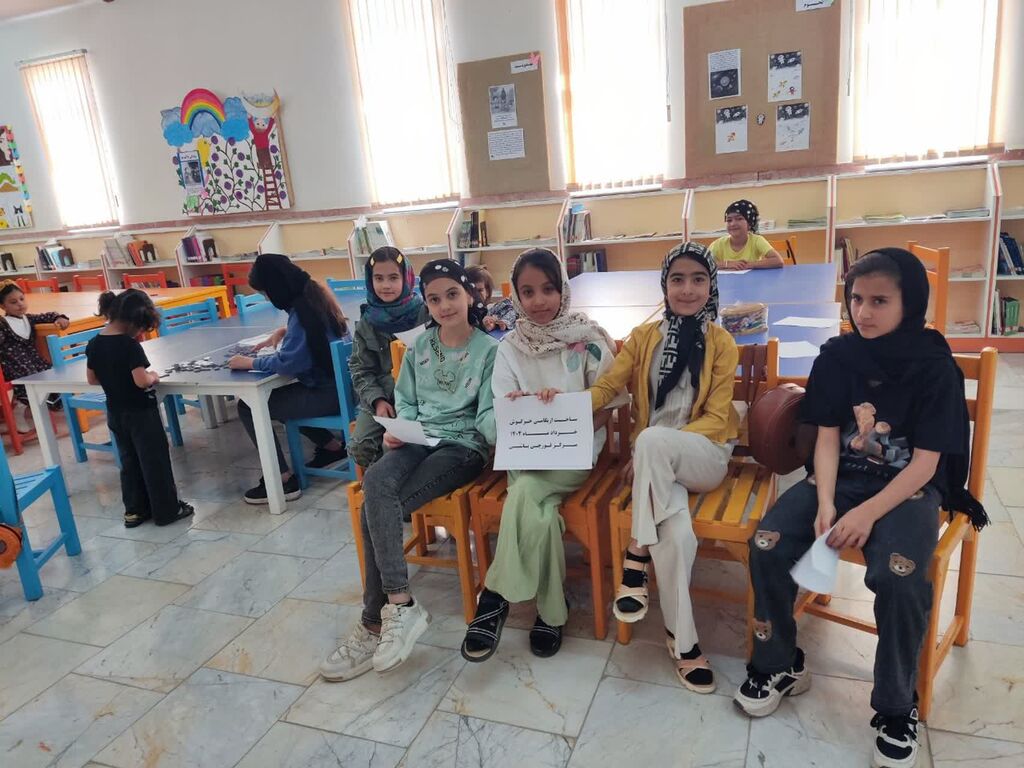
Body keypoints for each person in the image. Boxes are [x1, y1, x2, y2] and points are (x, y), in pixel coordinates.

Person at [733, 248, 987, 768]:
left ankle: (896, 705)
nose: (863, 311)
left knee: (899, 576)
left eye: (879, 301)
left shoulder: (935, 367)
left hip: (908, 490)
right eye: (856, 299)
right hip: (842, 478)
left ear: (909, 303)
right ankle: (779, 662)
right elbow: (827, 436)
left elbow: (926, 464)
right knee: (767, 544)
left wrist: (866, 514)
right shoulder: (838, 356)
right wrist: (826, 500)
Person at [320, 258, 496, 681]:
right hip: (419, 437)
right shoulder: (419, 347)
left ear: (469, 295)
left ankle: (373, 621)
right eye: (434, 299)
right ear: (426, 304)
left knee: (374, 508)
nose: (444, 305)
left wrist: (511, 426)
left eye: (452, 295)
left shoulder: (490, 350)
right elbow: (407, 400)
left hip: (462, 447)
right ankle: (400, 605)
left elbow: (486, 416)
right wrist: (398, 431)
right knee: (376, 481)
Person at [589, 241, 739, 694]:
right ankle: (684, 644)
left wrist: (652, 451)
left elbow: (717, 417)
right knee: (676, 536)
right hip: (656, 467)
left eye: (698, 279)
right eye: (677, 279)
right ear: (665, 284)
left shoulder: (722, 342)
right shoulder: (643, 337)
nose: (687, 289)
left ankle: (635, 553)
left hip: (704, 455)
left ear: (711, 285)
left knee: (654, 439)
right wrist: (561, 406)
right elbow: (609, 387)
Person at [461, 248, 618, 662]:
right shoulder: (510, 347)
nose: (539, 300)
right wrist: (521, 408)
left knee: (525, 493)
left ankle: (494, 596)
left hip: (575, 455)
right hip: (526, 458)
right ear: (516, 295)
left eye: (548, 289)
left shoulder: (588, 341)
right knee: (539, 510)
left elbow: (608, 405)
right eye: (528, 292)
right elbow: (499, 412)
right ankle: (551, 612)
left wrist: (566, 411)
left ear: (562, 289)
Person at [227, 254, 349, 505]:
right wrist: (285, 332)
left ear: (276, 288)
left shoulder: (303, 314)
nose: (267, 299)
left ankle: (281, 480)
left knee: (249, 405)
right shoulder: (316, 296)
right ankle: (332, 447)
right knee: (282, 400)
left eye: (265, 293)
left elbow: (289, 364)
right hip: (342, 389)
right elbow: (310, 338)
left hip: (328, 395)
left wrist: (249, 363)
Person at [85, 290, 194, 528]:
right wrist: (153, 376)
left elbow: (92, 379)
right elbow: (141, 381)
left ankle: (134, 512)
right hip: (141, 413)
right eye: (141, 329)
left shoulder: (94, 343)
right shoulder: (129, 345)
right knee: (154, 461)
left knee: (129, 461)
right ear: (133, 322)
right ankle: (167, 511)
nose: (140, 334)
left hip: (115, 412)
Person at [349, 246, 429, 468]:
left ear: (406, 278)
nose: (386, 285)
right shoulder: (367, 322)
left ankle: (396, 478)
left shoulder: (425, 313)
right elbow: (360, 369)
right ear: (370, 280)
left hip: (422, 397)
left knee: (405, 446)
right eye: (379, 278)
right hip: (384, 396)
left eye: (393, 277)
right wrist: (377, 400)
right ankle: (382, 477)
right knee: (361, 447)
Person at [0, 280, 69, 433]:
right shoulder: (3, 324)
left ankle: (46, 404)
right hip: (14, 365)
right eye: (13, 302)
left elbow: (48, 315)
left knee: (50, 372)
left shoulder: (29, 319)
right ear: (3, 306)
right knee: (29, 377)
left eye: (22, 299)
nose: (20, 304)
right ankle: (20, 408)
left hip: (34, 361)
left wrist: (59, 317)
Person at [709, 200, 784, 270]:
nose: (733, 224)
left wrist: (750, 265)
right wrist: (726, 264)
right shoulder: (718, 244)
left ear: (749, 224)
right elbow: (704, 264)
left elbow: (778, 261)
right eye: (729, 220)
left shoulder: (756, 240)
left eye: (739, 219)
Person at [467, 265, 517, 332]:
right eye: (471, 291)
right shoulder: (464, 313)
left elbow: (512, 310)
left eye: (479, 290)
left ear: (487, 291)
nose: (475, 295)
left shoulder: (492, 309)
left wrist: (501, 321)